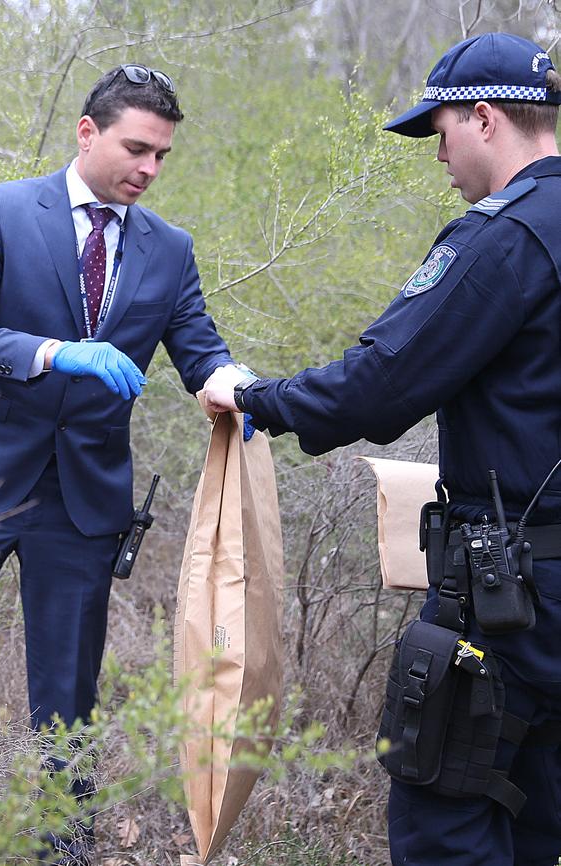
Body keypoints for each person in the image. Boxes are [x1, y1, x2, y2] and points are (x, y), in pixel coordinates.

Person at [204, 32, 561, 866]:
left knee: (448, 824)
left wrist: (254, 397)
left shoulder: (502, 238)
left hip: (511, 607)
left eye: (438, 131)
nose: (438, 156)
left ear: (484, 118)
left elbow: (379, 385)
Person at [0, 64, 236, 863]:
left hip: (83, 507)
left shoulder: (170, 249)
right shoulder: (2, 208)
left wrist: (243, 390)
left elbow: (202, 352)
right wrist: (57, 353)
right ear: (87, 133)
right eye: (136, 148)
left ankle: (63, 853)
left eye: (162, 155)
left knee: (67, 705)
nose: (150, 169)